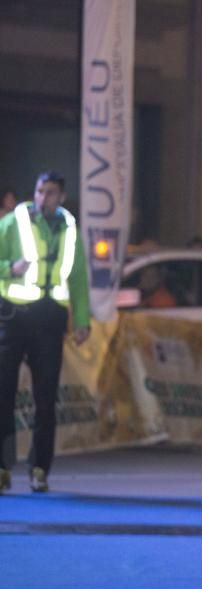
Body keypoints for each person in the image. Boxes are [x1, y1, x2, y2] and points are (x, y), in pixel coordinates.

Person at [0, 171, 90, 494]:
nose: (43, 198)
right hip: (13, 314)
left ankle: (40, 468)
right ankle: (2, 467)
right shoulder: (13, 223)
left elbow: (78, 276)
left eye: (50, 193)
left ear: (61, 197)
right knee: (3, 393)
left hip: (50, 317)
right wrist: (10, 268)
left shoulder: (70, 229)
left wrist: (82, 320)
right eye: (39, 191)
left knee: (45, 396)